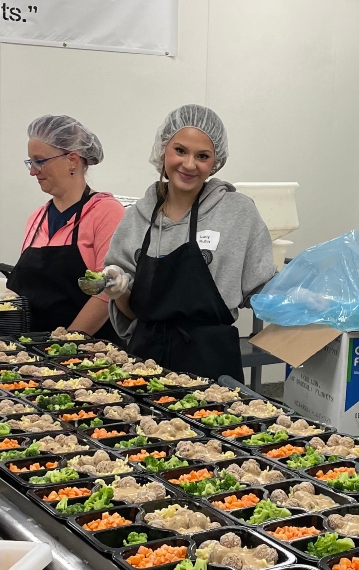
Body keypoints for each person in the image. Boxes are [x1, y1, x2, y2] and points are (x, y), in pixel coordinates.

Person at [103, 104, 275, 382]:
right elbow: (132, 311)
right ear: (163, 150)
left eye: (202, 156)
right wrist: (118, 291)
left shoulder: (237, 213)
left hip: (212, 361)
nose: (189, 164)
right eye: (180, 151)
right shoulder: (136, 218)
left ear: (215, 162)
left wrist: (311, 302)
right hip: (145, 363)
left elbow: (263, 289)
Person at [9, 115, 124, 338]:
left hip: (86, 356)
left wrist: (65, 343)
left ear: (72, 159)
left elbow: (106, 294)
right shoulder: (37, 218)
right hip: (32, 352)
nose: (33, 171)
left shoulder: (105, 212)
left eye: (39, 161)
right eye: (30, 163)